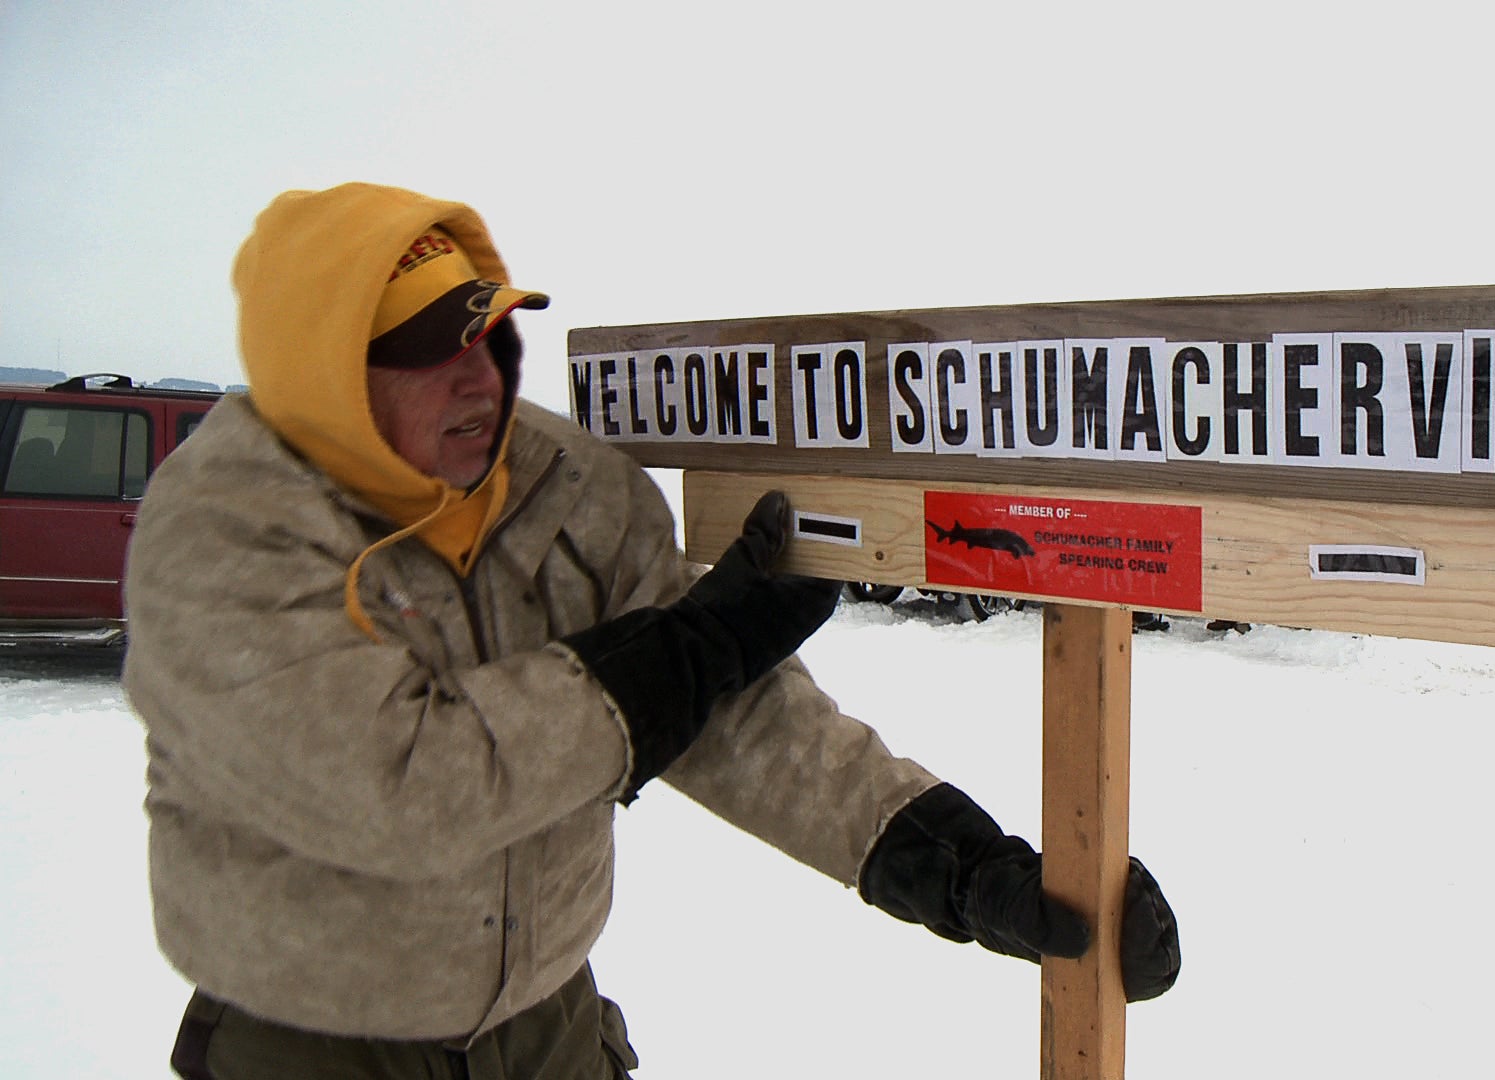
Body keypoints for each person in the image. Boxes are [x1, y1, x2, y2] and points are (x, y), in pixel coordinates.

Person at [123, 182, 1179, 1079]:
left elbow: (727, 716)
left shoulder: (566, 489)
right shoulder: (225, 529)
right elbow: (403, 792)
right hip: (312, 1048)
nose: (479, 379)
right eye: (422, 353)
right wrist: (685, 652)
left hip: (549, 1032)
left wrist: (956, 864)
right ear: (322, 375)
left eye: (487, 337)